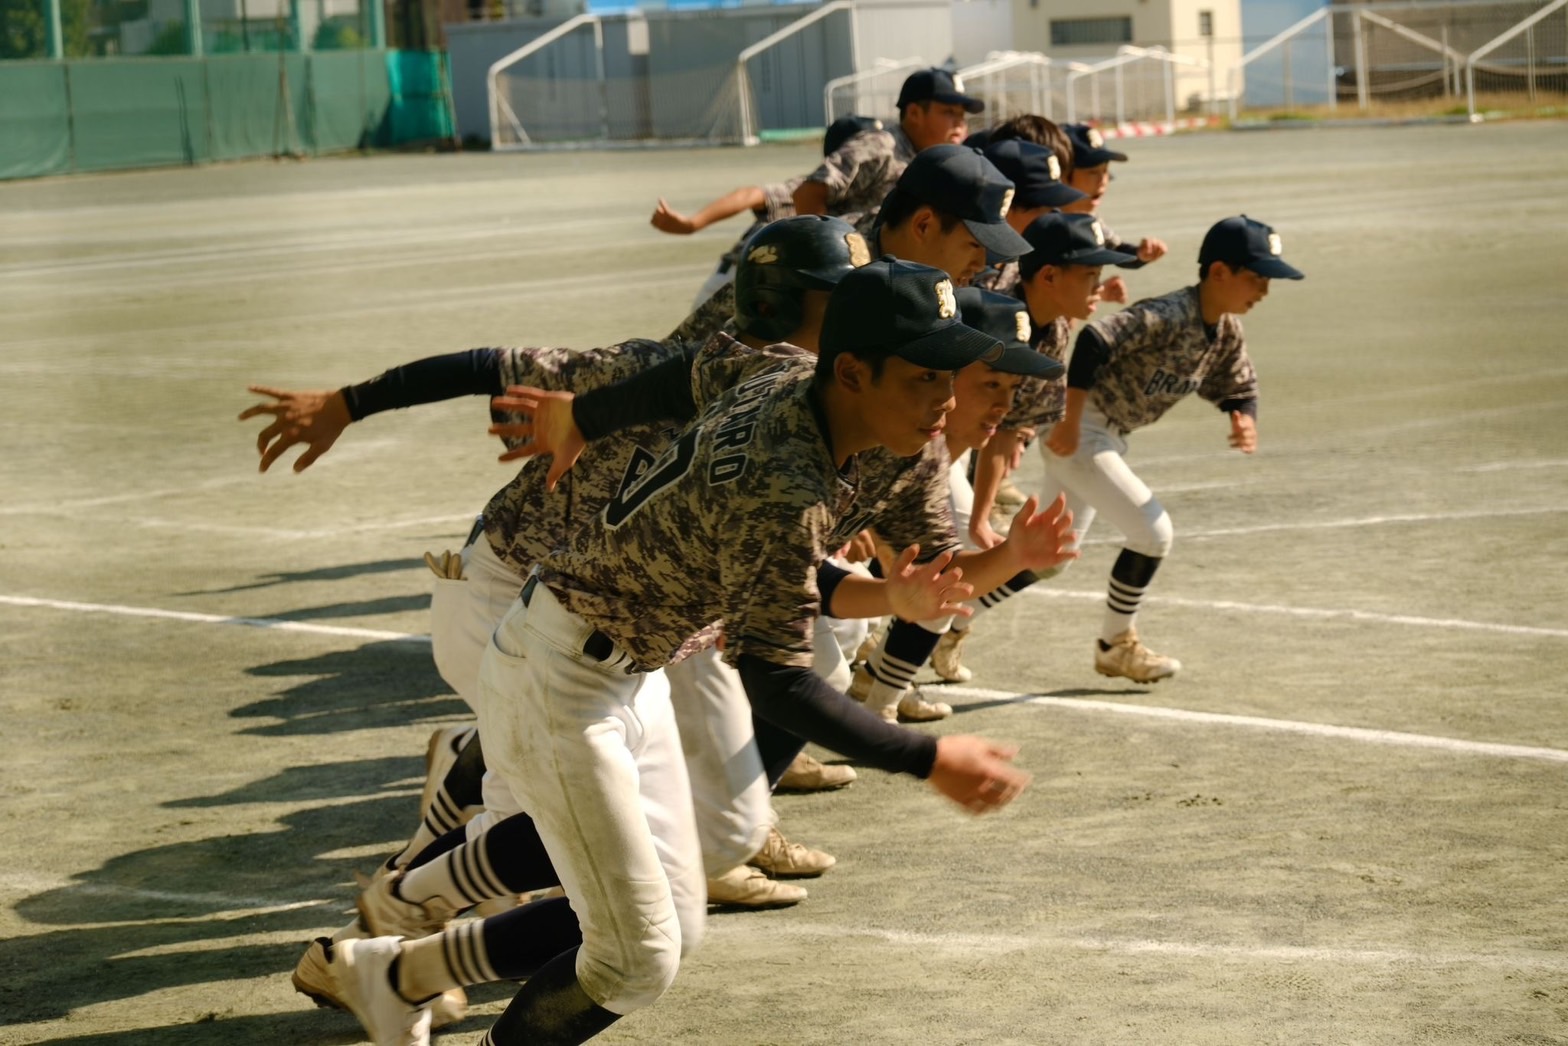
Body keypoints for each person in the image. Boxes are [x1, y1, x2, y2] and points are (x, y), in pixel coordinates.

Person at [323, 258, 1077, 1046]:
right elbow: (778, 681)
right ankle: (412, 914)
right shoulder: (782, 481)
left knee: (672, 923)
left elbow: (689, 371)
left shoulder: (785, 374)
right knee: (634, 962)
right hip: (560, 682)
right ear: (852, 370)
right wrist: (928, 759)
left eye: (952, 376)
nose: (947, 400)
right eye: (926, 376)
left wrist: (588, 415)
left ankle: (390, 973)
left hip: (632, 672)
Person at [1043, 214, 1304, 682]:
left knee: (1046, 557)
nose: (1264, 289)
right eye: (1257, 277)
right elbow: (1094, 341)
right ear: (1219, 272)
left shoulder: (1224, 331)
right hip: (1082, 429)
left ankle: (944, 628)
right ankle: (1115, 644)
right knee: (1153, 532)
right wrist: (1070, 419)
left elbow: (1239, 386)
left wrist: (1243, 417)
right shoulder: (1170, 313)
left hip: (1104, 436)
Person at [845, 286, 1066, 721]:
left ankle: (881, 688)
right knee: (844, 630)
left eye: (1012, 387)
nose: (1005, 404)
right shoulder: (896, 439)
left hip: (939, 475)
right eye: (989, 384)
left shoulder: (943, 448)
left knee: (944, 585)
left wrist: (998, 535)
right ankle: (873, 689)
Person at [651, 115, 884, 307]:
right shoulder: (812, 188)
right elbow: (751, 195)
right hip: (735, 285)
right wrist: (692, 224)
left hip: (765, 287)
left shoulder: (862, 195)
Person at [792, 67, 984, 223]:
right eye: (949, 112)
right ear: (914, 113)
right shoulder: (881, 146)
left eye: (962, 115)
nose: (960, 123)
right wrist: (824, 254)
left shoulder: (940, 161)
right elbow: (808, 193)